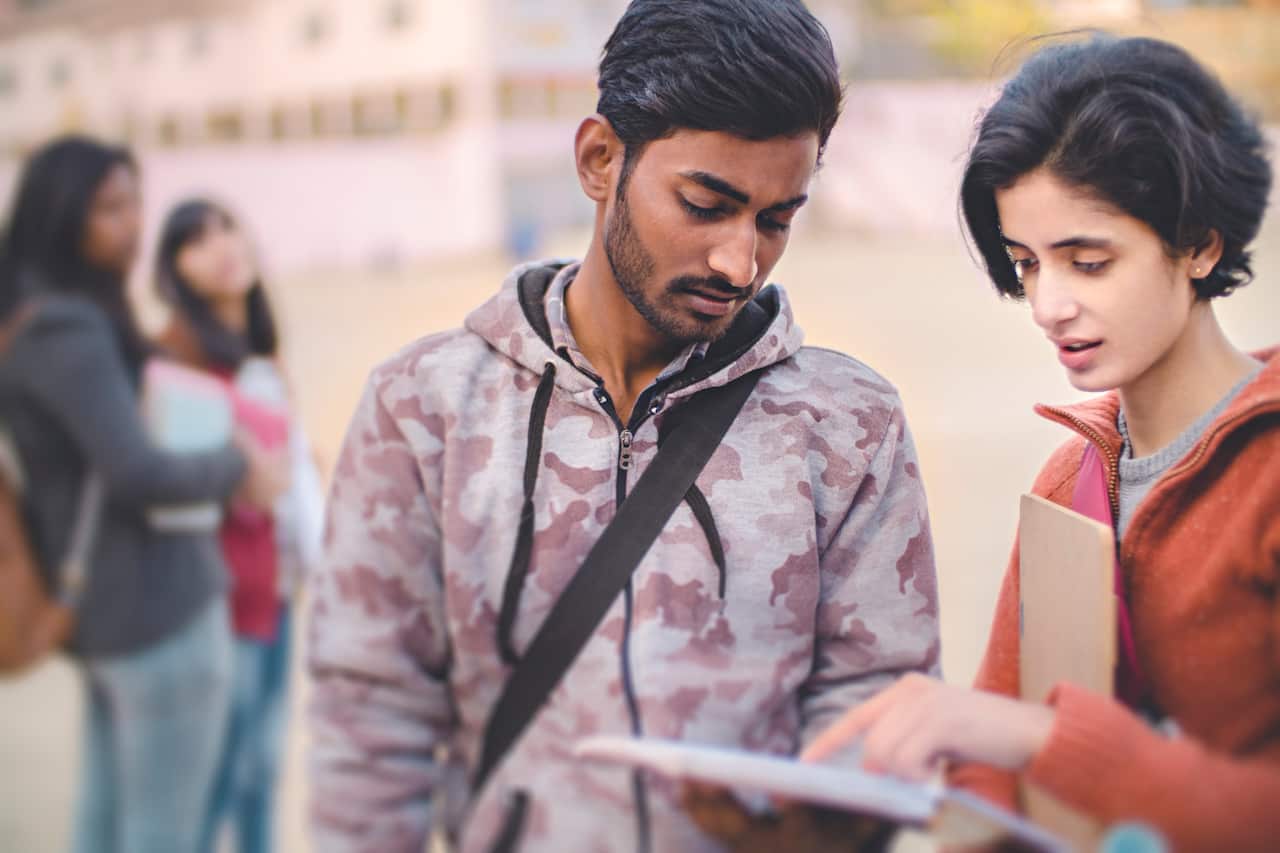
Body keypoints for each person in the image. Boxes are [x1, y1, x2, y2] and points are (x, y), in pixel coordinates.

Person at [308, 1, 940, 851]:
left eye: (776, 220)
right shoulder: (424, 409)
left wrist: (819, 826)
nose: (739, 262)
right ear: (600, 159)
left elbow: (881, 695)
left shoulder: (851, 424)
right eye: (705, 204)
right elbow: (369, 727)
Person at [803, 35, 1280, 850]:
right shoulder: (1073, 477)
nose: (1048, 305)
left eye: (1088, 262)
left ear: (1200, 243)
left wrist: (1043, 740)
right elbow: (989, 754)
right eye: (1025, 263)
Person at [0, 137, 286, 853]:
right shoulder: (66, 327)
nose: (133, 224)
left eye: (133, 203)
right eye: (110, 208)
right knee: (162, 834)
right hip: (158, 612)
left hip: (111, 613)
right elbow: (136, 471)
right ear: (62, 214)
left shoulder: (35, 320)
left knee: (105, 826)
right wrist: (236, 463)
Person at [152, 198, 324, 853]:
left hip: (275, 589)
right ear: (175, 269)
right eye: (197, 239)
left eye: (228, 227)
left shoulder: (259, 354)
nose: (222, 245)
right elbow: (175, 484)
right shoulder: (179, 359)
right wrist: (247, 470)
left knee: (262, 772)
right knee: (219, 778)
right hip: (219, 600)